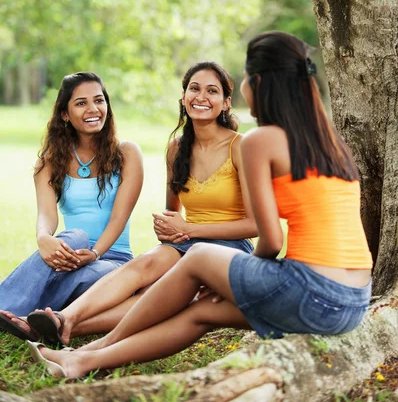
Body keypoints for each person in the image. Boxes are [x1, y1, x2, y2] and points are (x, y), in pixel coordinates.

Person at [27, 32, 372, 378]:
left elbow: (271, 242)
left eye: (244, 80)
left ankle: (91, 345)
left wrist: (230, 274)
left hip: (311, 290)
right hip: (352, 302)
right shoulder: (329, 144)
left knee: (201, 258)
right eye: (194, 89)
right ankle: (81, 360)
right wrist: (227, 274)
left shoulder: (257, 142)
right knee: (201, 311)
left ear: (259, 82)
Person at [7, 62, 256, 345]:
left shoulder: (241, 146)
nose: (201, 97)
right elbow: (172, 213)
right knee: (138, 262)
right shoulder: (177, 148)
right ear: (184, 97)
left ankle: (58, 323)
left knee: (157, 292)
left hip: (227, 246)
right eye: (194, 88)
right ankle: (59, 319)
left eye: (212, 91)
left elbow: (256, 225)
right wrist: (168, 227)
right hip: (183, 244)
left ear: (225, 103)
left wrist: (189, 228)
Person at [0, 72, 143, 341]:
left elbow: (119, 218)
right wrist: (44, 238)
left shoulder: (127, 154)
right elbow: (46, 214)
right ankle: (21, 310)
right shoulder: (50, 162)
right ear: (65, 114)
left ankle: (18, 308)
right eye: (81, 103)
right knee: (75, 235)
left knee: (93, 267)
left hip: (113, 264)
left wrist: (96, 253)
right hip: (68, 256)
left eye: (99, 101)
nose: (93, 109)